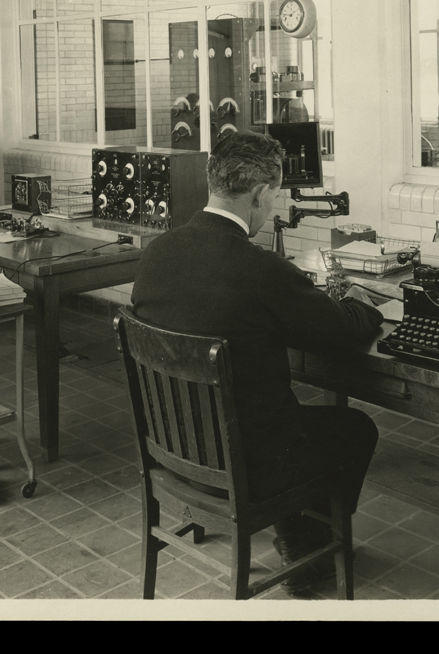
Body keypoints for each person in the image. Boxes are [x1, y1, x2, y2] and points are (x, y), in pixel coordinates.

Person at [129, 130, 384, 596]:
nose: (272, 209)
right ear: (261, 195)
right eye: (274, 199)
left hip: (175, 450)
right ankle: (307, 547)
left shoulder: (156, 253)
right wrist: (361, 301)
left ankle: (298, 533)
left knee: (283, 420)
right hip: (245, 463)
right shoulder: (260, 268)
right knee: (355, 429)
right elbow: (343, 333)